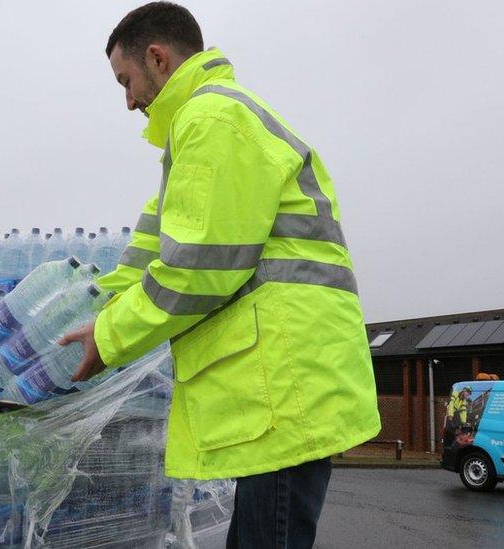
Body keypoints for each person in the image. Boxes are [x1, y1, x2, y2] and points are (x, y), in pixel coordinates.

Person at [58, 3, 380, 547]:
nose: (129, 100)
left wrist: (108, 339)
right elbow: (148, 251)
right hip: (277, 387)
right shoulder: (200, 130)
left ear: (157, 58)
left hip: (283, 388)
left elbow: (198, 269)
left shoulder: (213, 121)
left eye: (126, 80)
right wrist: (91, 304)